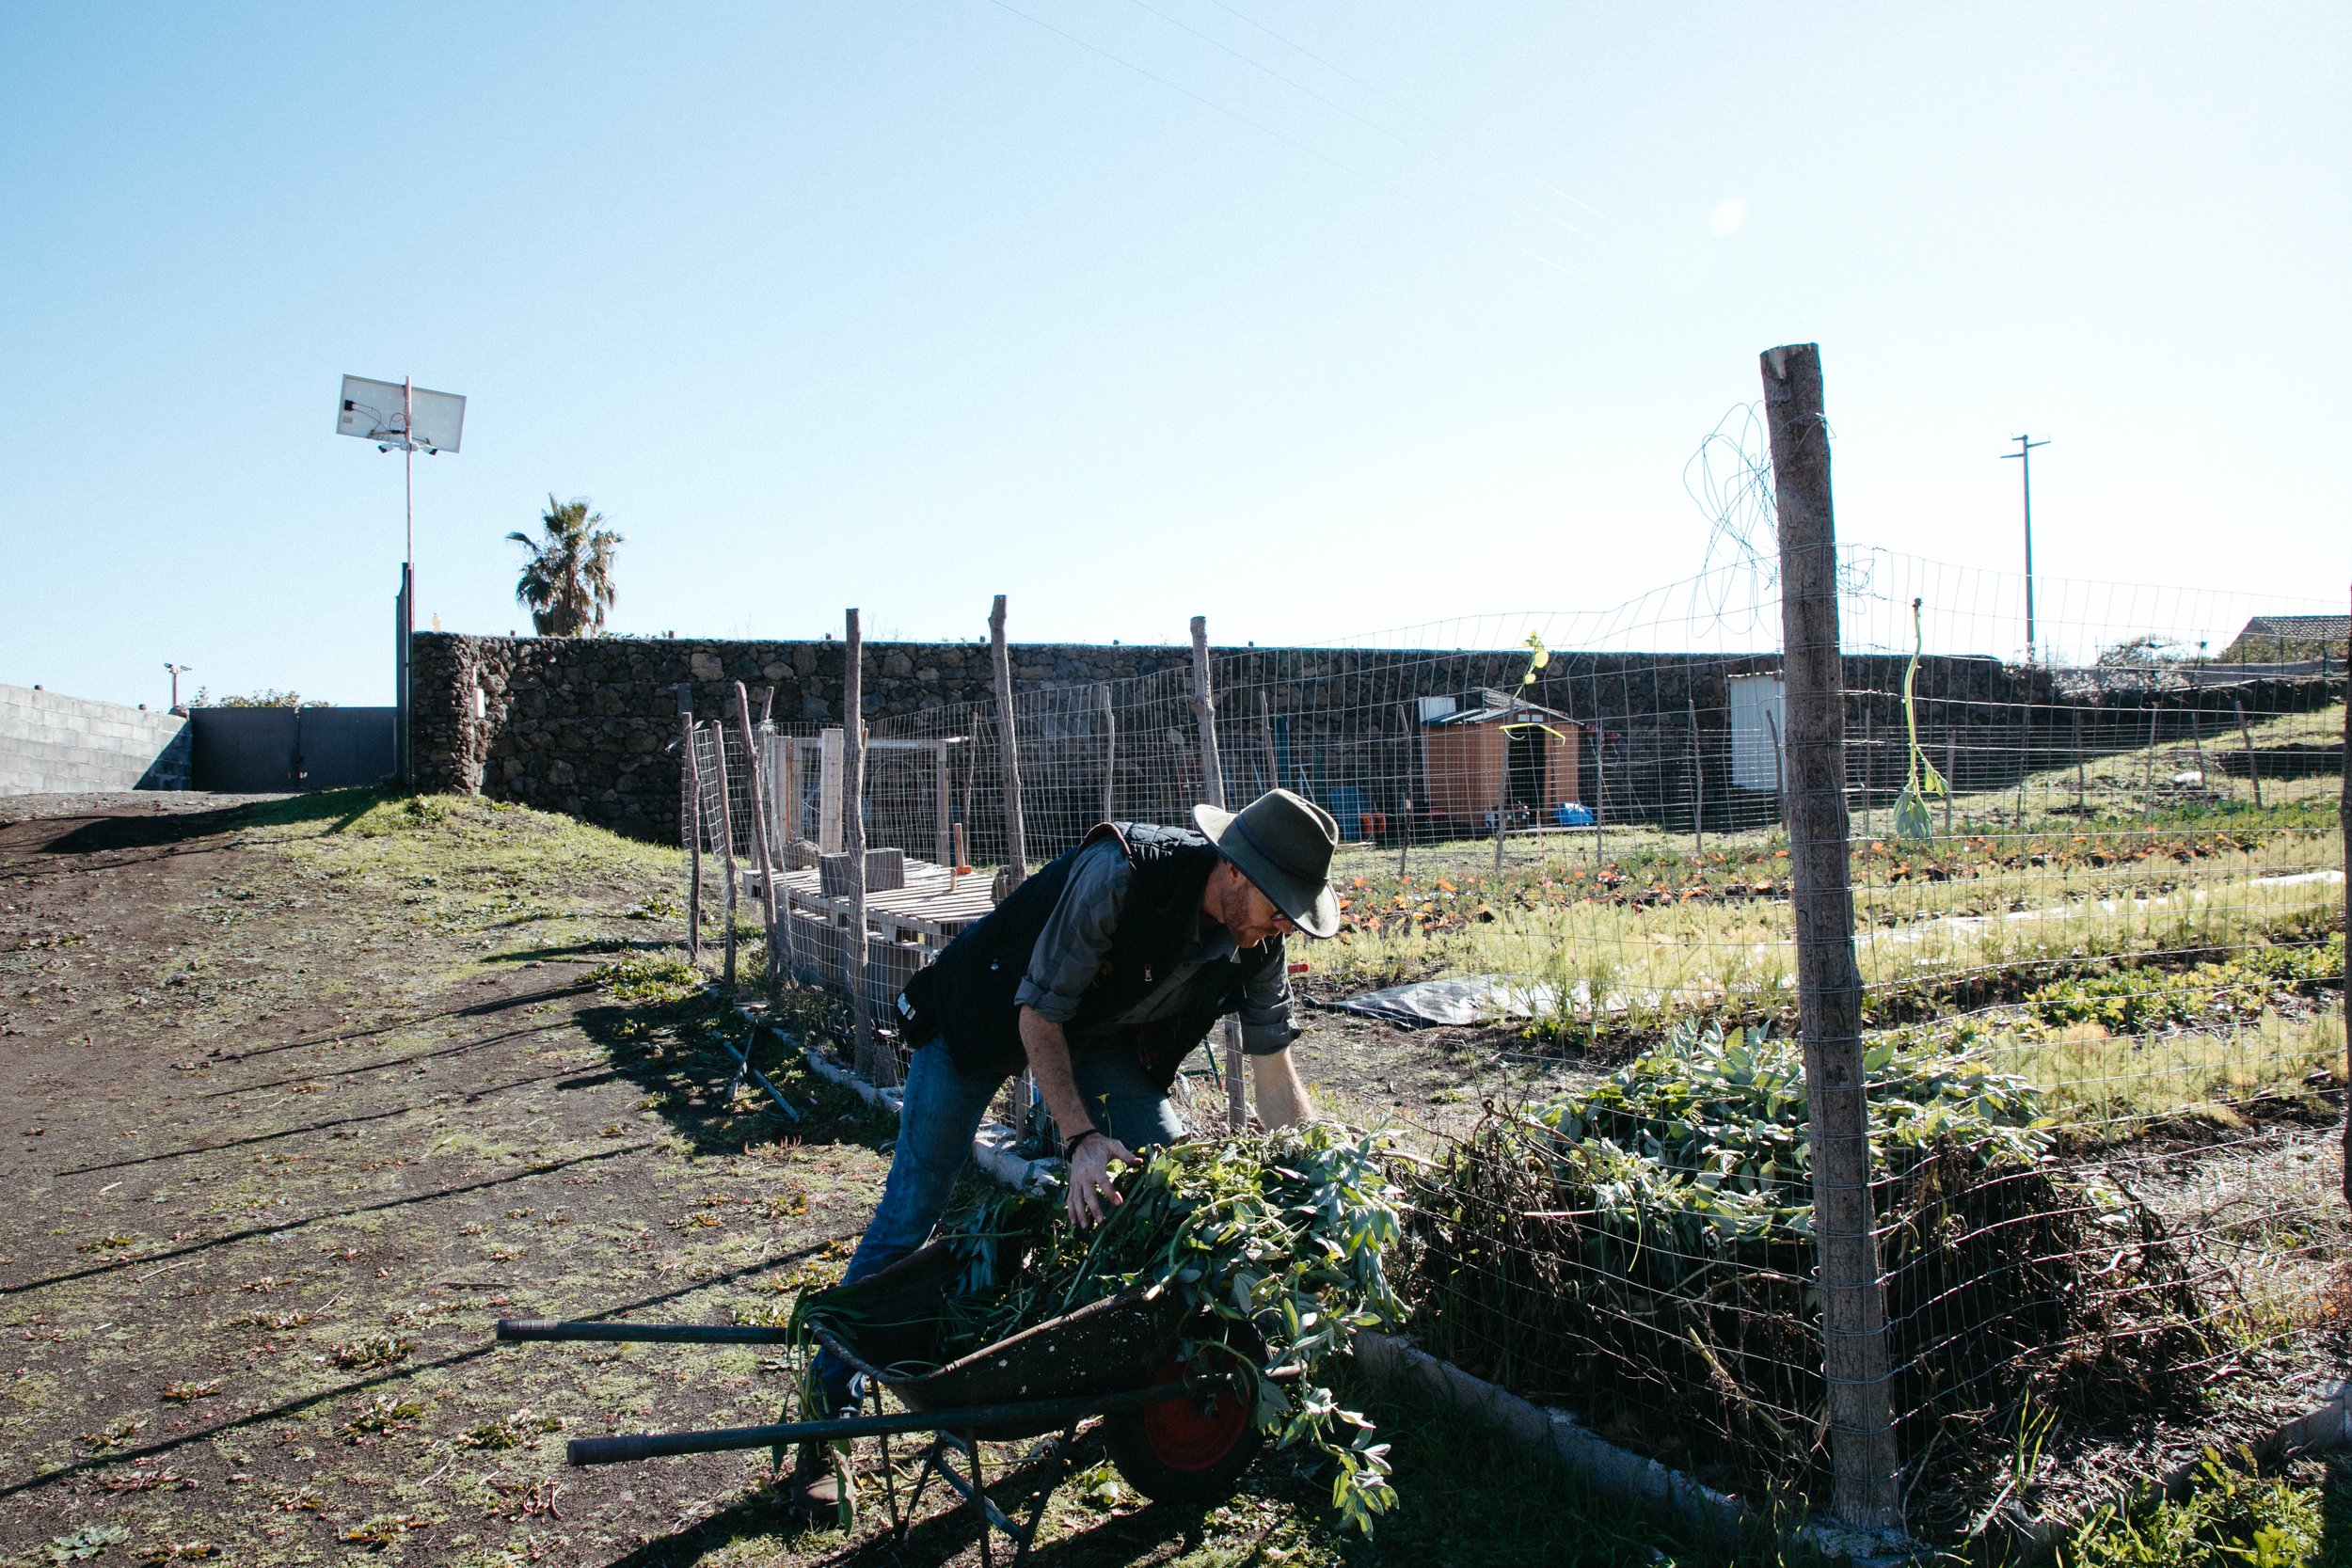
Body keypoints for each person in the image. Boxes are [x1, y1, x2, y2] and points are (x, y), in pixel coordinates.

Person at [789, 787, 1343, 1517]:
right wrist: (1080, 1139)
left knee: (1170, 1192)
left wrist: (1320, 1175)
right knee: (912, 1210)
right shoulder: (1122, 872)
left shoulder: (1257, 942)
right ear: (1237, 872)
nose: (1285, 927)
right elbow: (1038, 1013)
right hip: (985, 1017)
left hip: (1096, 1039)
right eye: (1282, 907)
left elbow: (1274, 1070)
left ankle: (1139, 1377)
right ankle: (825, 1424)